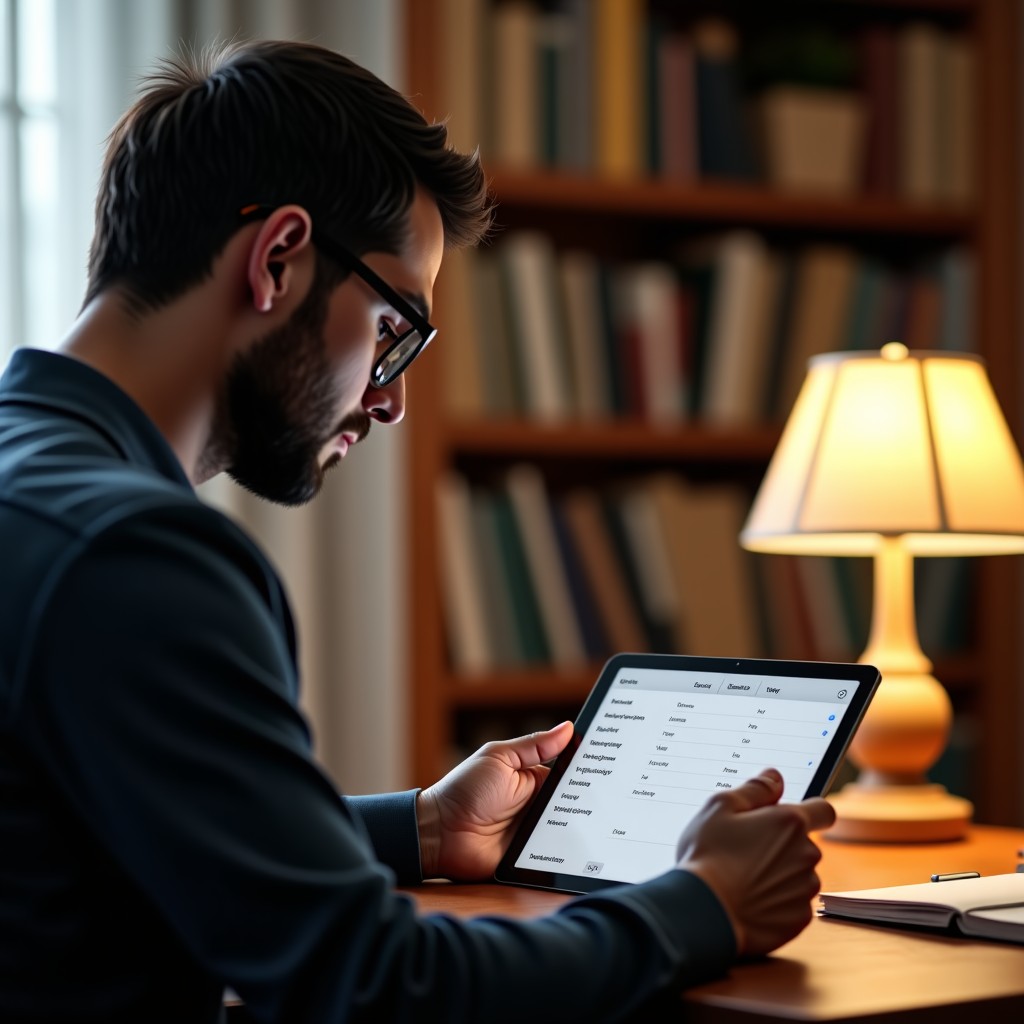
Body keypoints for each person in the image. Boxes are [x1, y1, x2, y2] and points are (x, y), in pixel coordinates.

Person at [0, 39, 835, 1023]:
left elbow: (93, 841)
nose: (390, 401)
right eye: (396, 327)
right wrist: (700, 903)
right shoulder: (139, 555)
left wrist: (424, 829)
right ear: (277, 259)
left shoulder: (38, 492)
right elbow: (374, 985)